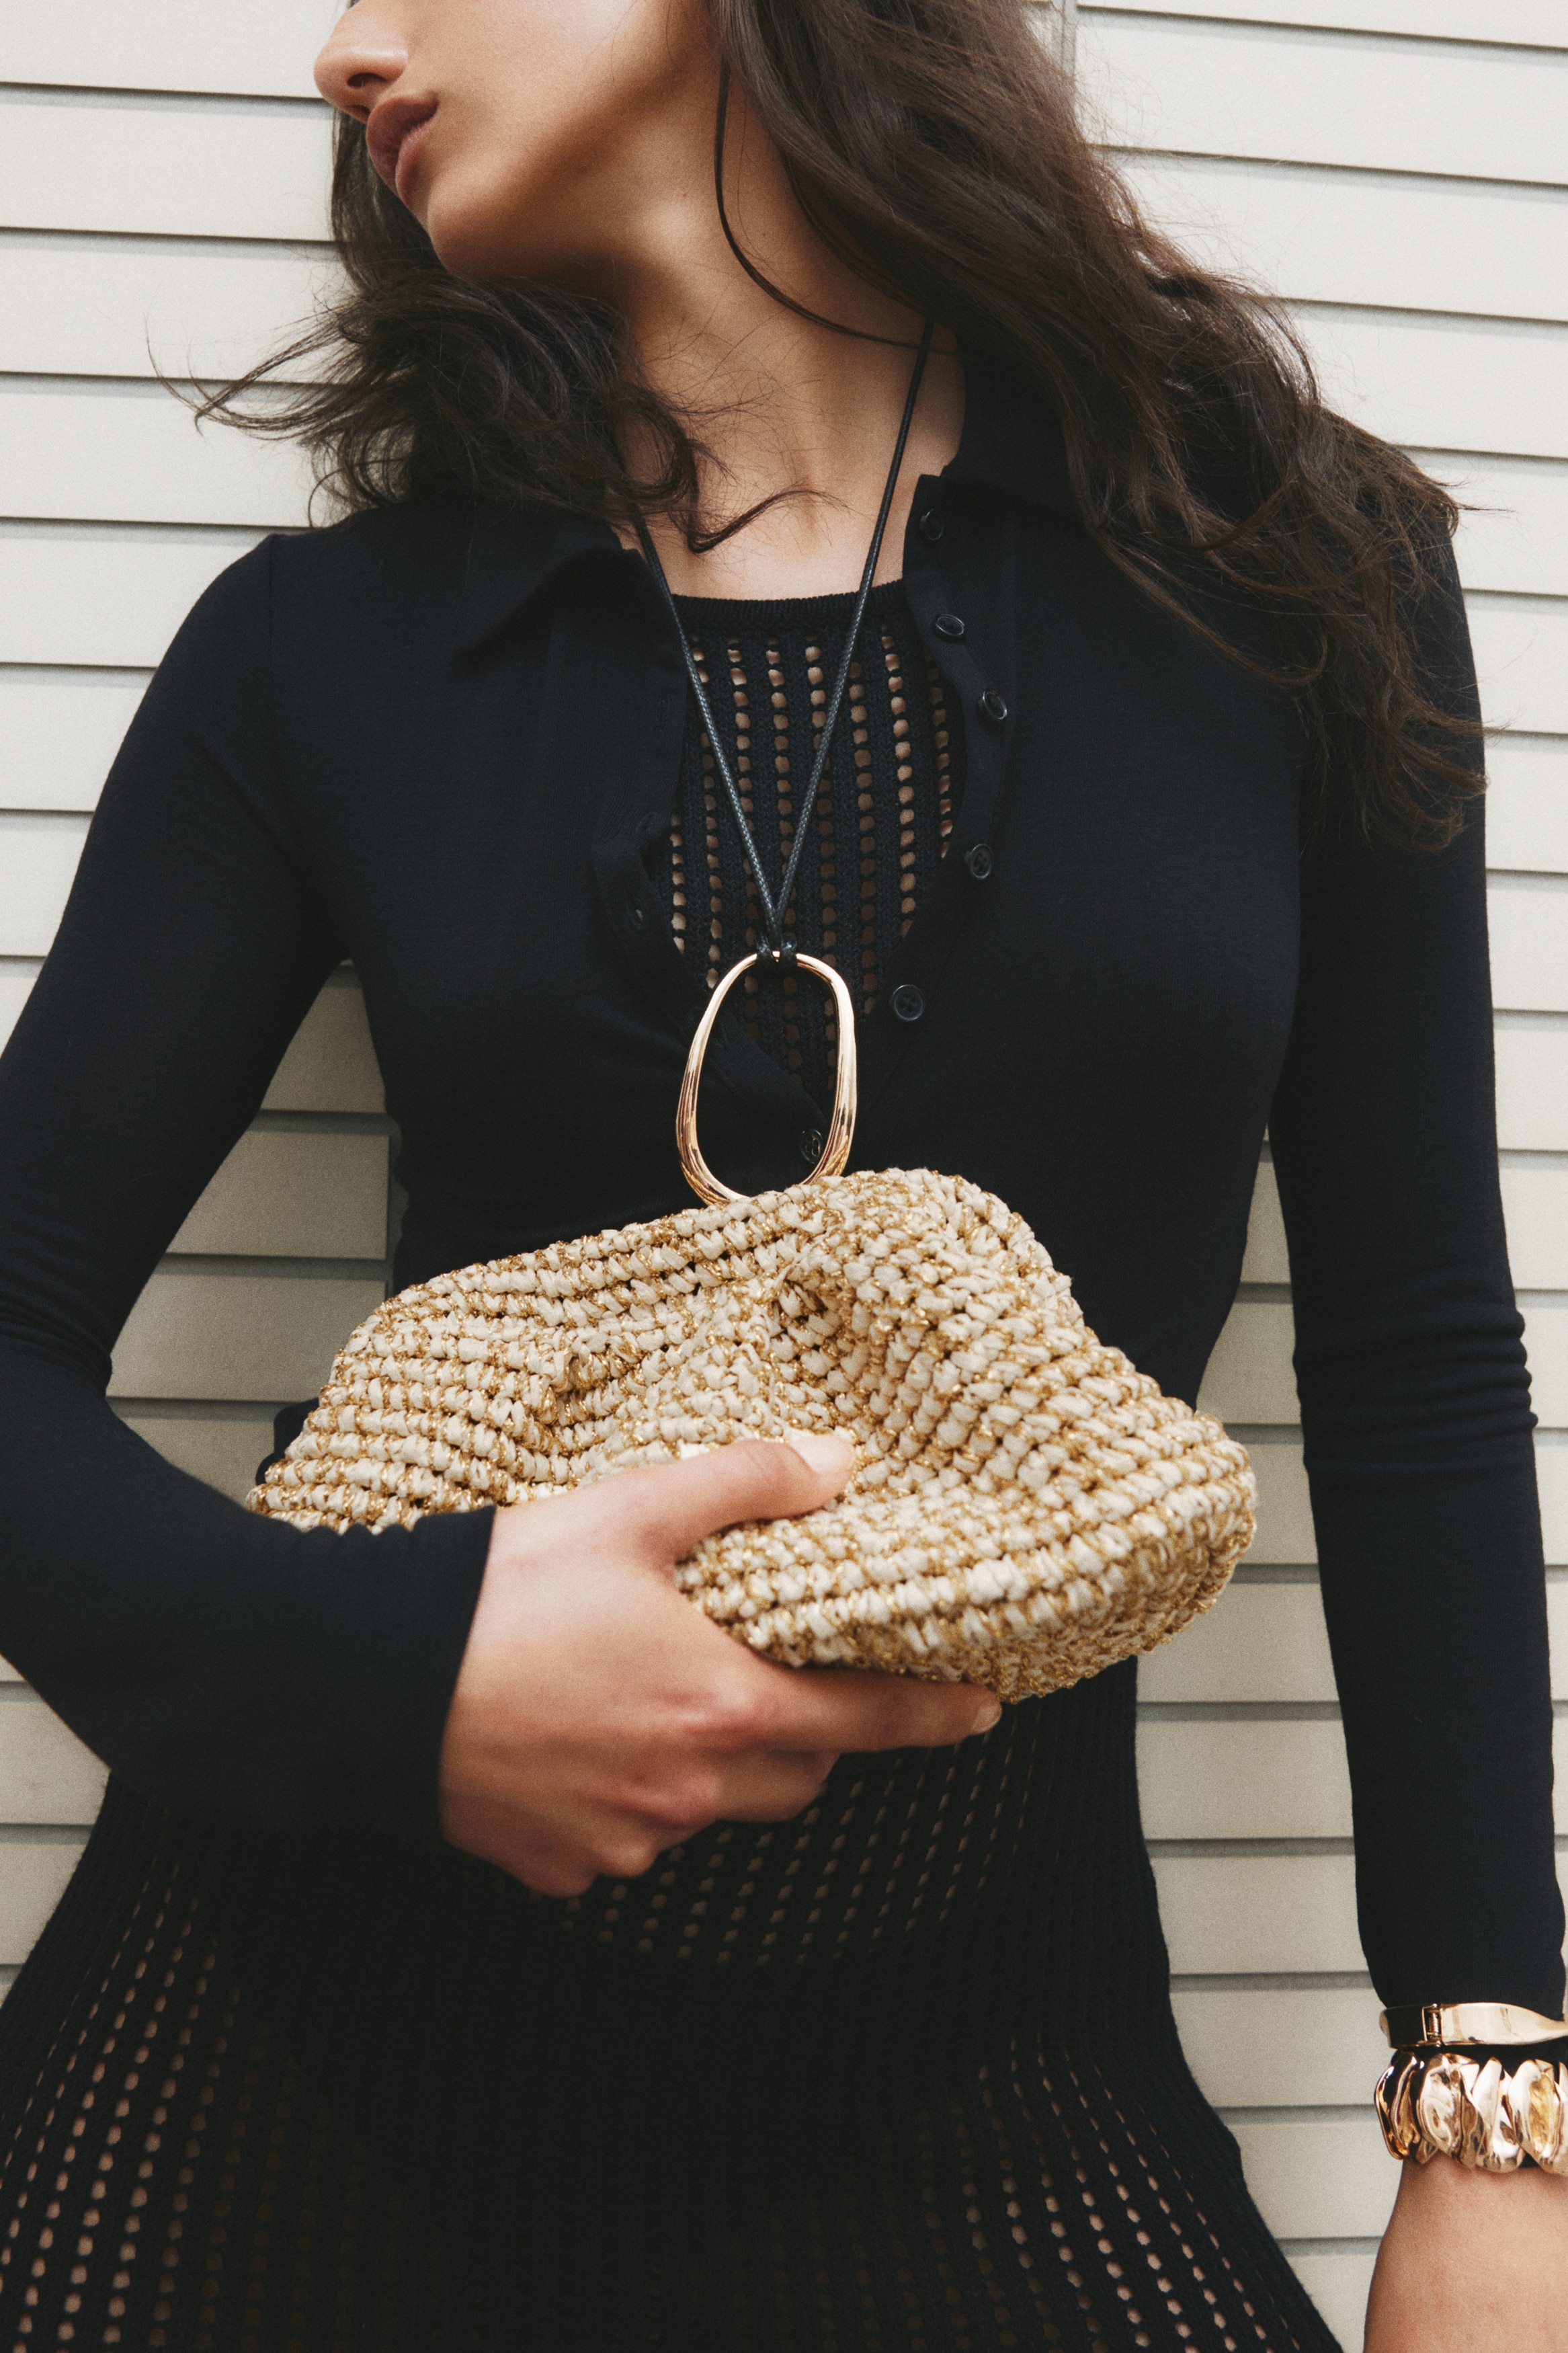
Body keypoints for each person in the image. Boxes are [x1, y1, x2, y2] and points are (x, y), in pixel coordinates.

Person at [0, 1, 1561, 2344]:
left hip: (987, 2076)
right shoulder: (325, 648)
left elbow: (1415, 1351)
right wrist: (401, 1674)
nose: (347, 47)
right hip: (287, 2076)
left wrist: (1492, 2106)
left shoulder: (1285, 577)